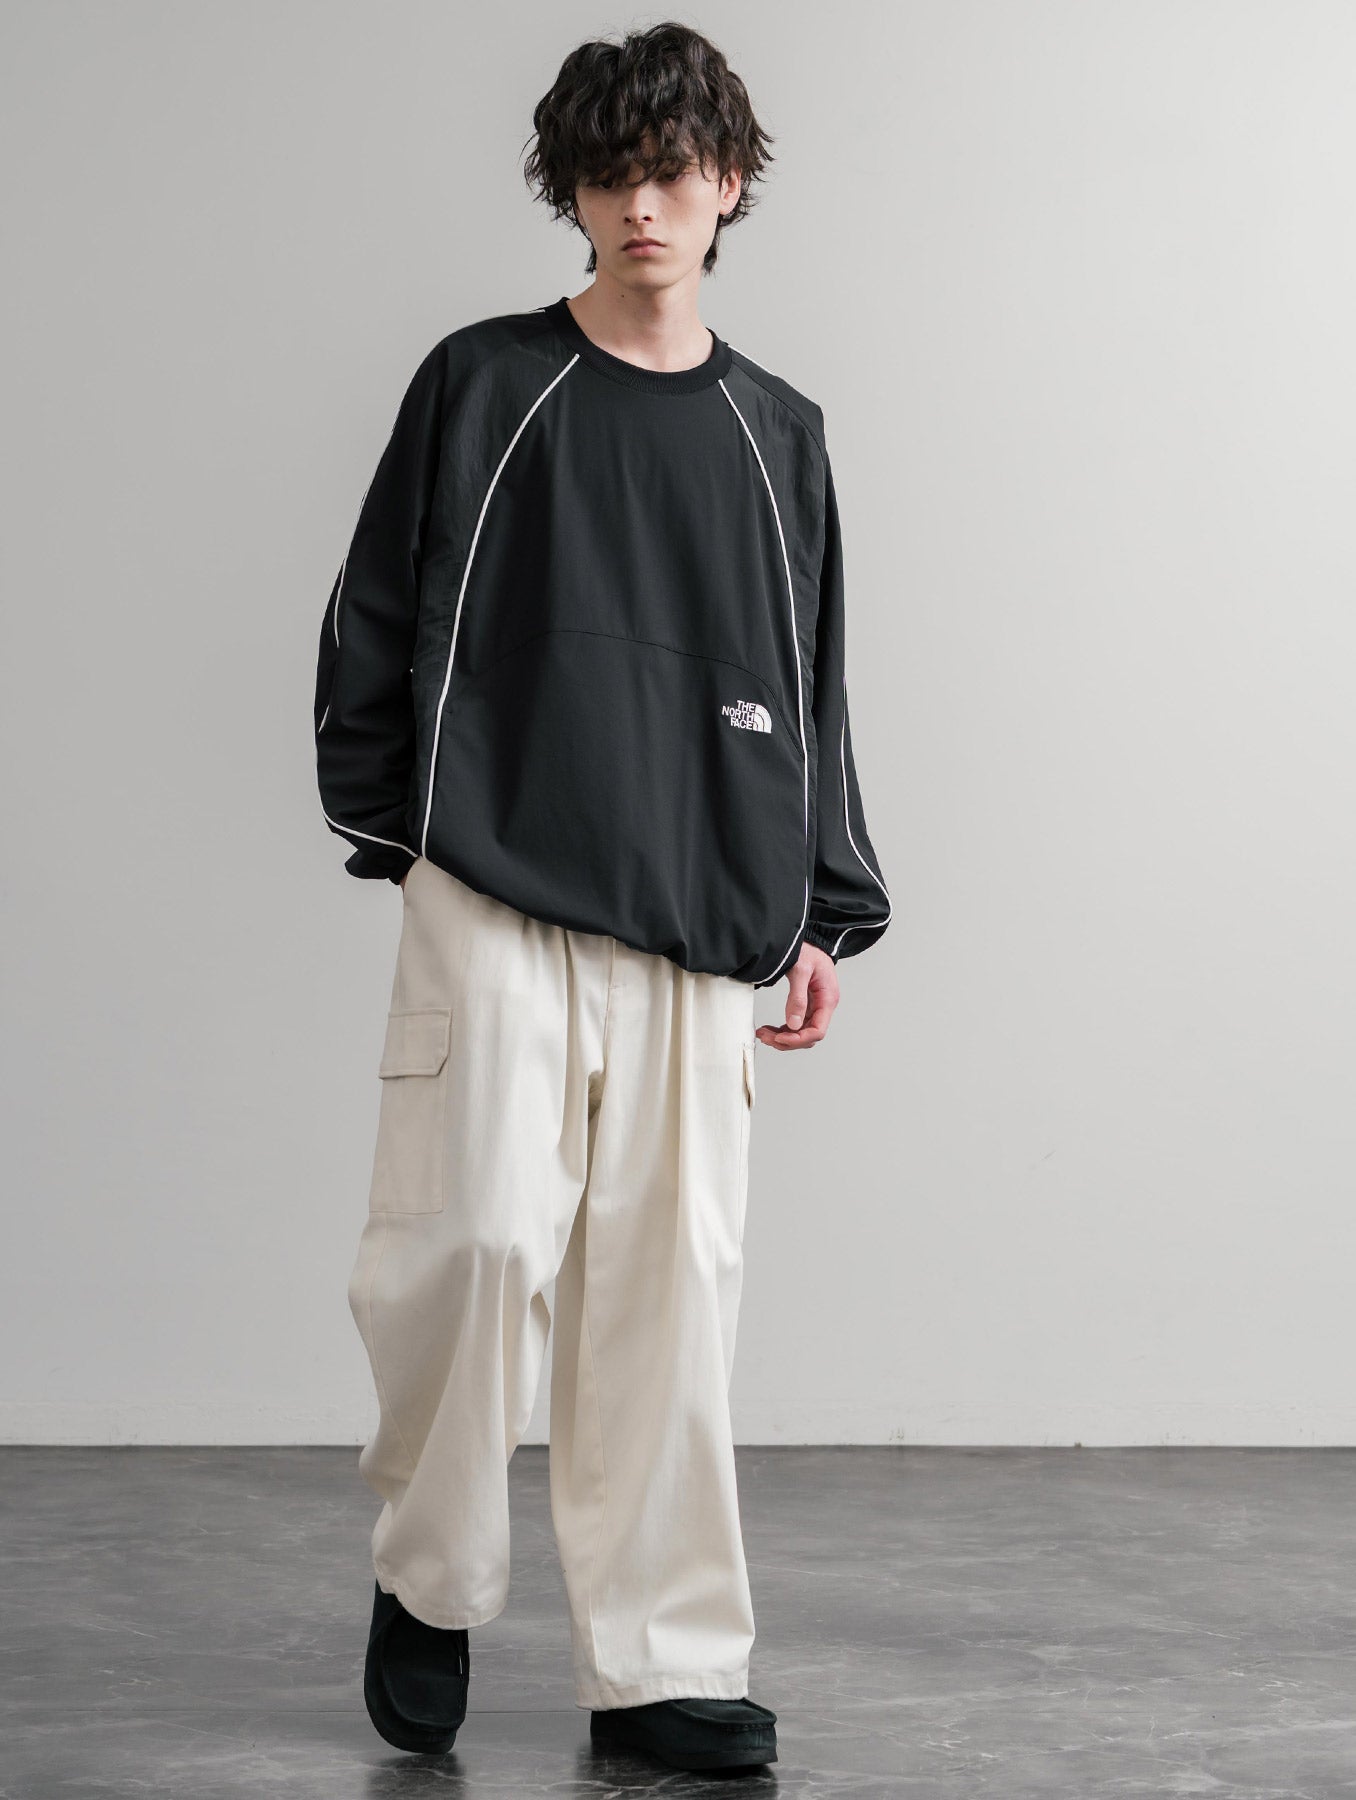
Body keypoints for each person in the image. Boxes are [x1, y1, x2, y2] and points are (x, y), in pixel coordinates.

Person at [312, 19, 890, 1773]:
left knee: (671, 1289)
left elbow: (810, 679)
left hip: (698, 907)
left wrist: (820, 904)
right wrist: (401, 822)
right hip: (494, 884)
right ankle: (430, 1577)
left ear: (730, 186)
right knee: (470, 1244)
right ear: (572, 190)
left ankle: (663, 1670)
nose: (645, 204)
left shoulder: (776, 433)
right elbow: (376, 610)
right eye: (613, 173)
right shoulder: (486, 386)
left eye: (676, 171)